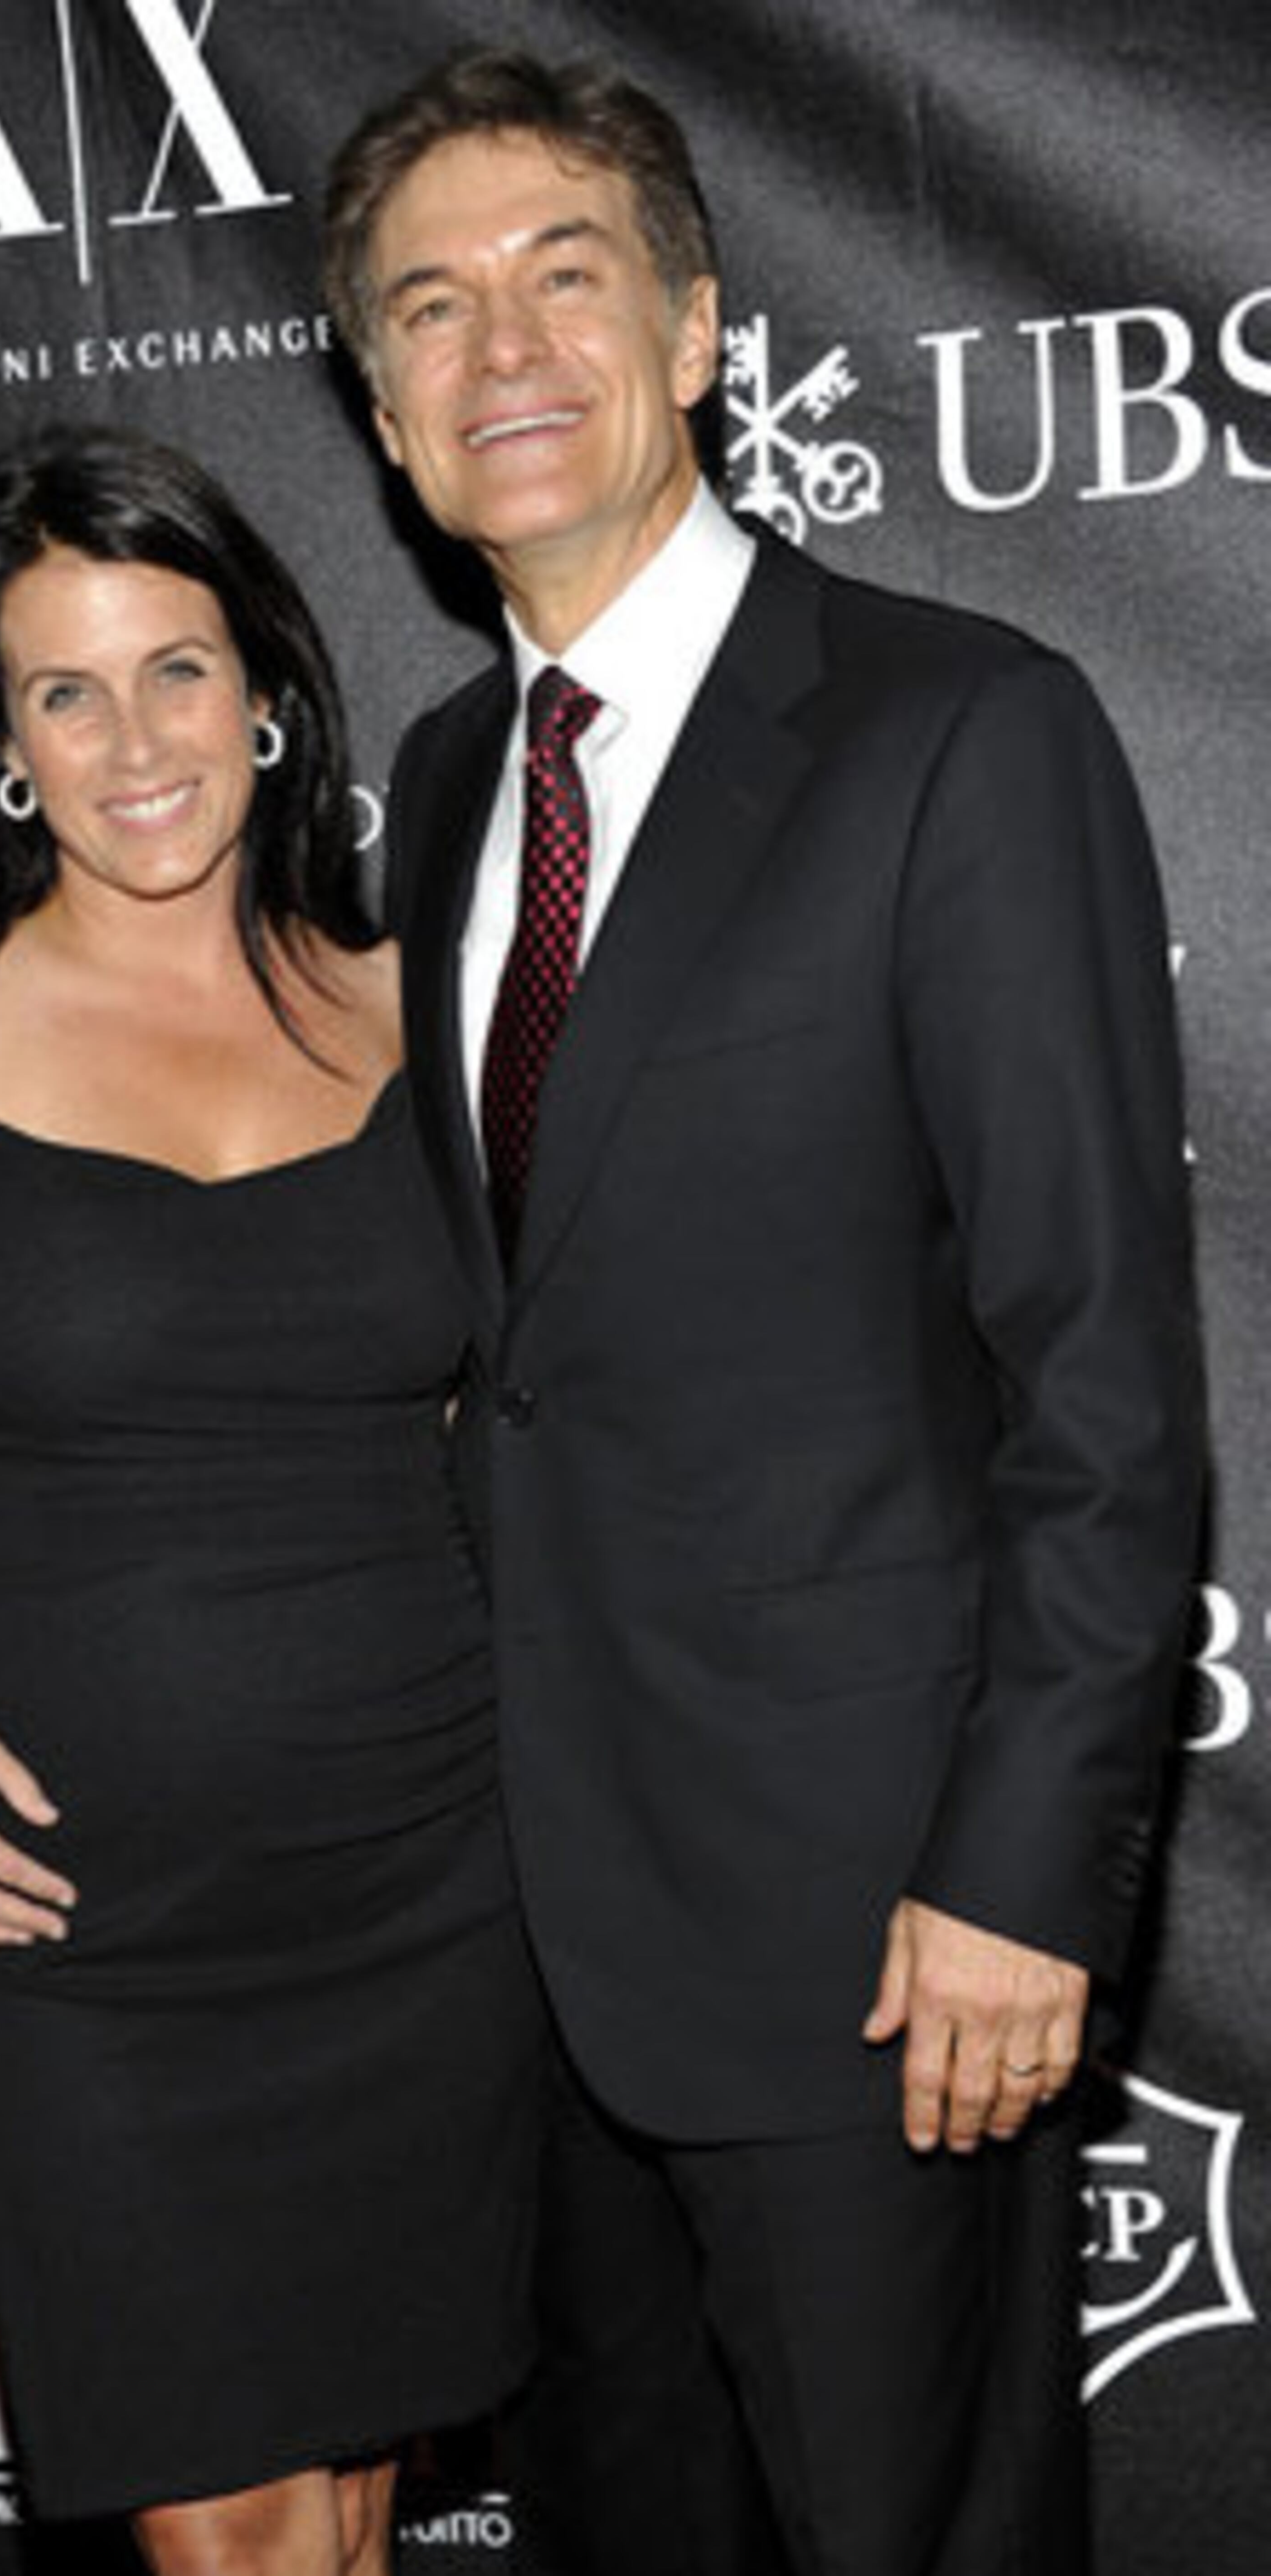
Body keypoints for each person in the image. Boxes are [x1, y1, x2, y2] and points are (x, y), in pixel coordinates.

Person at [320, 48, 1205, 2576]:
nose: (503, 344)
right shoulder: (446, 776)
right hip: (540, 1932)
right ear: (381, 419)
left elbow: (1105, 1376)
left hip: (876, 1936)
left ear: (697, 331)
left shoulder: (959, 731)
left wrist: (1028, 1871)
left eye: (565, 275)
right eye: (431, 309)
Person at [0, 425, 542, 2575]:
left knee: (346, 2503)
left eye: (175, 668)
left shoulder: (406, 1001)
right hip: (82, 1913)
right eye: (63, 690)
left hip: (432, 1869)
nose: (132, 739)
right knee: (228, 2525)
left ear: (266, 691)